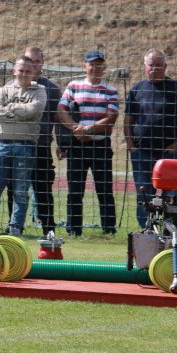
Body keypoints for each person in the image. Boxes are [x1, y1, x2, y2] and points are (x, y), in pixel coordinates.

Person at [124, 49, 177, 229]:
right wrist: (132, 147)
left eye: (158, 65)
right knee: (144, 196)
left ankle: (173, 230)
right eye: (151, 65)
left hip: (168, 156)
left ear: (165, 66)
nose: (154, 68)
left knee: (172, 194)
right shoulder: (136, 90)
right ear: (145, 66)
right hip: (142, 154)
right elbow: (128, 121)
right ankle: (146, 229)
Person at [0, 56, 46, 235]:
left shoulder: (40, 90)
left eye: (28, 71)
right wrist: (21, 112)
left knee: (20, 190)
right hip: (1, 144)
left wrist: (9, 109)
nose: (24, 74)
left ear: (34, 72)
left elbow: (36, 109)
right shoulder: (4, 89)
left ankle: (16, 228)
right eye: (21, 70)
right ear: (14, 71)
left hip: (25, 145)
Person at [57, 49, 119, 236]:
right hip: (77, 146)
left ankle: (109, 229)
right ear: (84, 66)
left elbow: (111, 118)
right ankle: (73, 230)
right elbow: (61, 110)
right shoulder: (73, 86)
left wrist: (89, 130)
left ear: (104, 68)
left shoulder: (111, 91)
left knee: (105, 189)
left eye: (99, 65)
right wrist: (76, 128)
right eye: (92, 64)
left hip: (100, 146)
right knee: (75, 190)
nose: (95, 68)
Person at [24, 46, 62, 235]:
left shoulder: (53, 89)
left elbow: (58, 119)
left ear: (42, 63)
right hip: (19, 145)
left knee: (43, 189)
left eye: (37, 61)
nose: (33, 65)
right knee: (16, 188)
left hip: (42, 146)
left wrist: (61, 144)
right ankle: (15, 227)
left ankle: (49, 228)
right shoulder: (13, 86)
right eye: (30, 61)